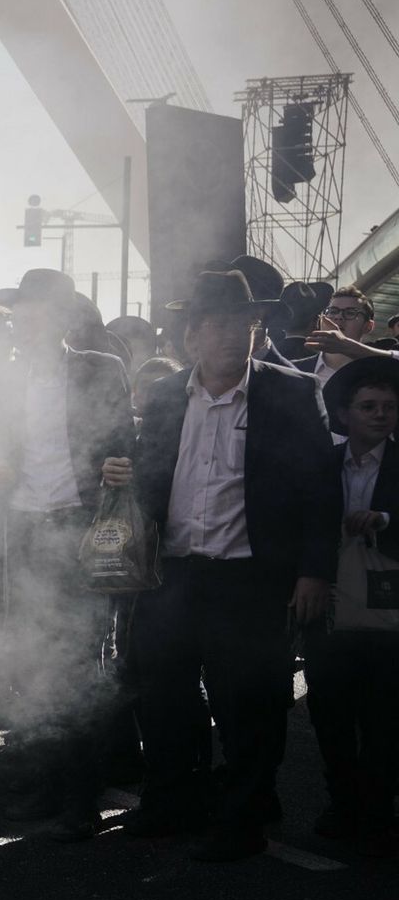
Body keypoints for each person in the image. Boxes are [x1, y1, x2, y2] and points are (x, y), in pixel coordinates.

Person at [108, 269, 340, 860]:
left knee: (250, 704)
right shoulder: (163, 397)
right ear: (190, 338)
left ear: (257, 330)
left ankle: (244, 817)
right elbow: (151, 476)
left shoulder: (288, 392)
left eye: (243, 323)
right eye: (215, 325)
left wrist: (314, 573)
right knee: (165, 698)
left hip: (250, 579)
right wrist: (121, 475)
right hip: (173, 574)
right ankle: (171, 802)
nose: (231, 336)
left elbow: (320, 489)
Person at [0, 269, 134, 837]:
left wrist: (116, 475)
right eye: (22, 309)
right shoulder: (7, 377)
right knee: (31, 662)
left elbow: (123, 448)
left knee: (78, 663)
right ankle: (46, 783)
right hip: (24, 527)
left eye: (38, 309)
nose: (27, 319)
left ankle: (82, 796)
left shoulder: (100, 368)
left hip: (79, 526)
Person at [302, 357, 399, 855]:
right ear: (345, 414)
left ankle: (379, 808)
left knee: (385, 716)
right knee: (332, 711)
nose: (380, 415)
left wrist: (383, 519)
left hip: (390, 612)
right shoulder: (323, 464)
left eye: (388, 406)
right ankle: (344, 801)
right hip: (330, 606)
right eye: (368, 407)